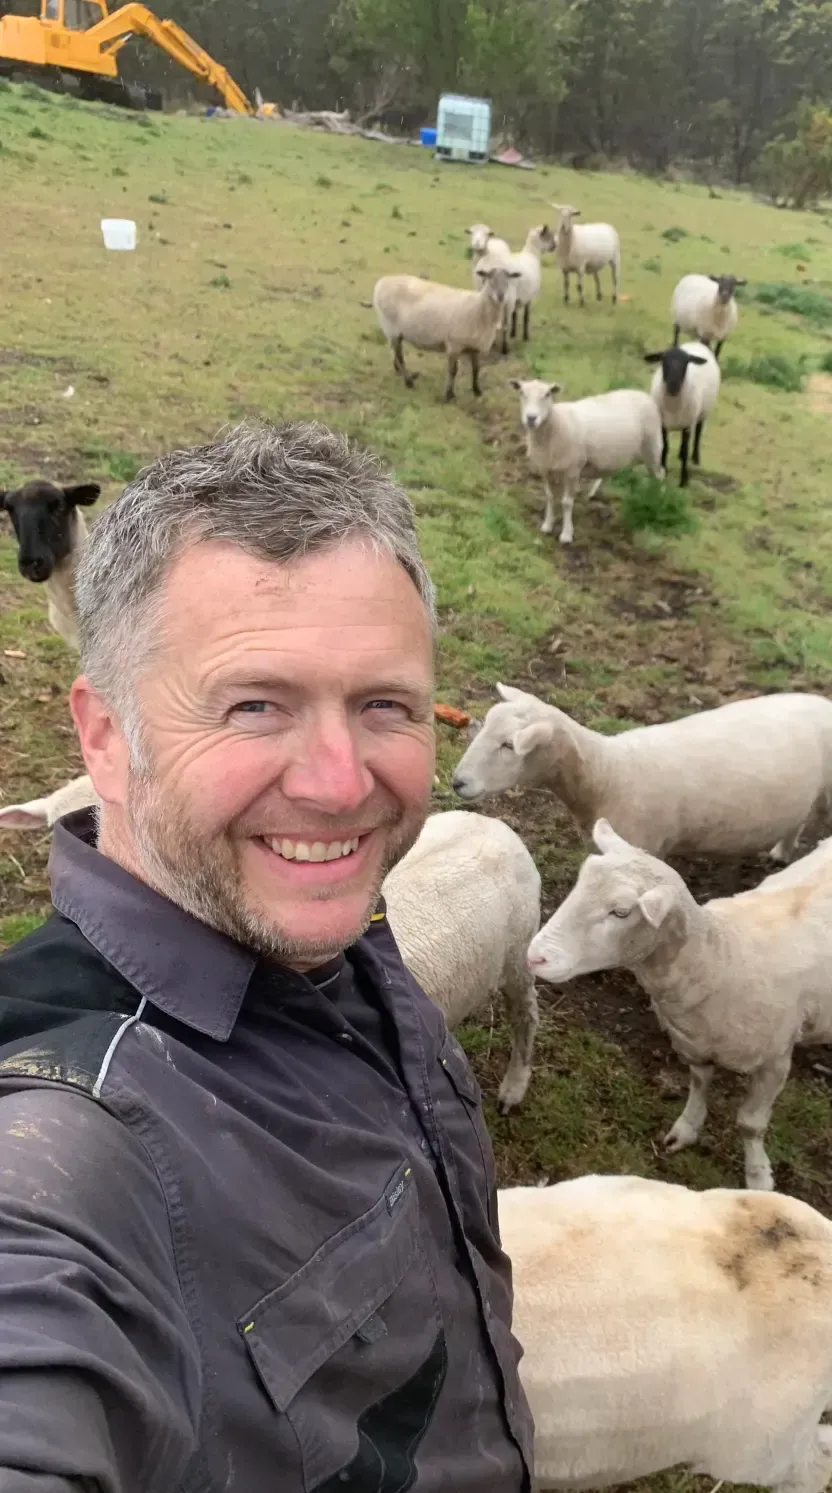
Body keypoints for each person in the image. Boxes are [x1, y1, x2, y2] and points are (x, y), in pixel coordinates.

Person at [0, 423, 533, 1492]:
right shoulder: (62, 1141)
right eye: (254, 705)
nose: (340, 784)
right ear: (104, 735)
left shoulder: (340, 938)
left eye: (384, 703)